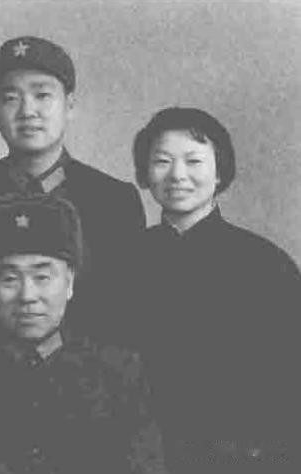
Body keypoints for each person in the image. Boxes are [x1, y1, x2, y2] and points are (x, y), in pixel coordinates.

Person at [131, 107, 300, 473]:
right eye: (162, 161)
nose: (178, 175)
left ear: (220, 171)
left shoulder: (266, 265)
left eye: (194, 161)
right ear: (145, 172)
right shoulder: (124, 259)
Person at [0, 36, 145, 344]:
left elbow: (125, 312)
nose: (28, 111)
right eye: (11, 98)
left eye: (42, 95)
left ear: (70, 105)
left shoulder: (113, 200)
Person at [0, 193, 166, 473]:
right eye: (9, 279)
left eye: (42, 277)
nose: (27, 296)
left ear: (70, 282)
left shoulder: (119, 373)